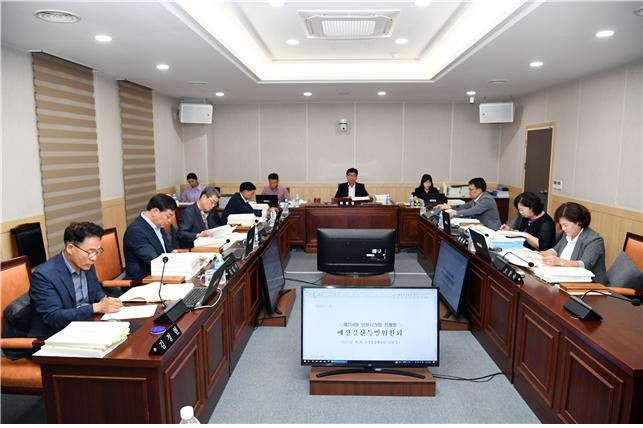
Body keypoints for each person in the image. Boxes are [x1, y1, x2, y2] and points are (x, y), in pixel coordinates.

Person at [29, 222, 123, 338]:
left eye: (97, 252)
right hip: (57, 334)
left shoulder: (86, 263)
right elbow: (53, 317)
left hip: (88, 325)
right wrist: (96, 307)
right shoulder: (44, 275)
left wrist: (104, 299)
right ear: (70, 248)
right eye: (90, 252)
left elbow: (95, 291)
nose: (94, 258)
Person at [540, 202, 608, 283]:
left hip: (588, 285)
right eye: (561, 225)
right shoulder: (568, 233)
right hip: (564, 279)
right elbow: (556, 250)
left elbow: (584, 264)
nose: (563, 229)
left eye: (565, 225)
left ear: (578, 222)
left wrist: (559, 262)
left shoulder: (594, 240)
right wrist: (542, 254)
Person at [123, 193, 177, 281]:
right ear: (155, 212)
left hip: (161, 275)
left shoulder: (158, 225)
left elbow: (168, 249)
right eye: (168, 216)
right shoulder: (136, 231)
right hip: (143, 281)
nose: (170, 220)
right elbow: (155, 261)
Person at [437, 177, 501, 230]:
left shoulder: (487, 199)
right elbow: (465, 206)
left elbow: (474, 210)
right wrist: (450, 207)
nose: (469, 192)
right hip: (480, 226)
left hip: (490, 229)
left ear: (479, 190)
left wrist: (455, 213)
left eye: (471, 190)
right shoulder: (477, 198)